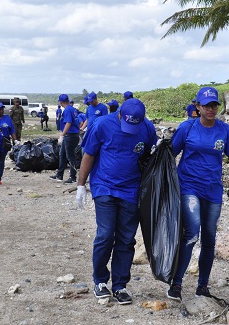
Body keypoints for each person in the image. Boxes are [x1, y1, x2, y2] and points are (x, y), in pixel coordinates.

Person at [166, 87, 229, 302]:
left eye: (214, 105)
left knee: (209, 239)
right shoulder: (187, 128)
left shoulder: (224, 130)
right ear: (197, 107)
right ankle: (176, 284)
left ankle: (203, 286)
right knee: (192, 233)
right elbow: (171, 154)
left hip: (213, 190)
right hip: (189, 187)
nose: (211, 109)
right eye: (206, 105)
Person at [76, 98, 157, 305]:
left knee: (126, 238)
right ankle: (100, 282)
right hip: (105, 186)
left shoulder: (146, 127)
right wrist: (80, 185)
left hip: (131, 190)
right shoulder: (101, 125)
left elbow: (149, 153)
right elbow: (89, 155)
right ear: (120, 114)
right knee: (105, 234)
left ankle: (120, 285)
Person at [50, 94, 80, 184]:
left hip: (70, 135)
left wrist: (62, 135)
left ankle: (73, 177)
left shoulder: (67, 110)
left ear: (61, 102)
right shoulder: (72, 109)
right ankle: (59, 175)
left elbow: (68, 123)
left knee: (70, 157)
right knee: (62, 154)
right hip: (71, 135)